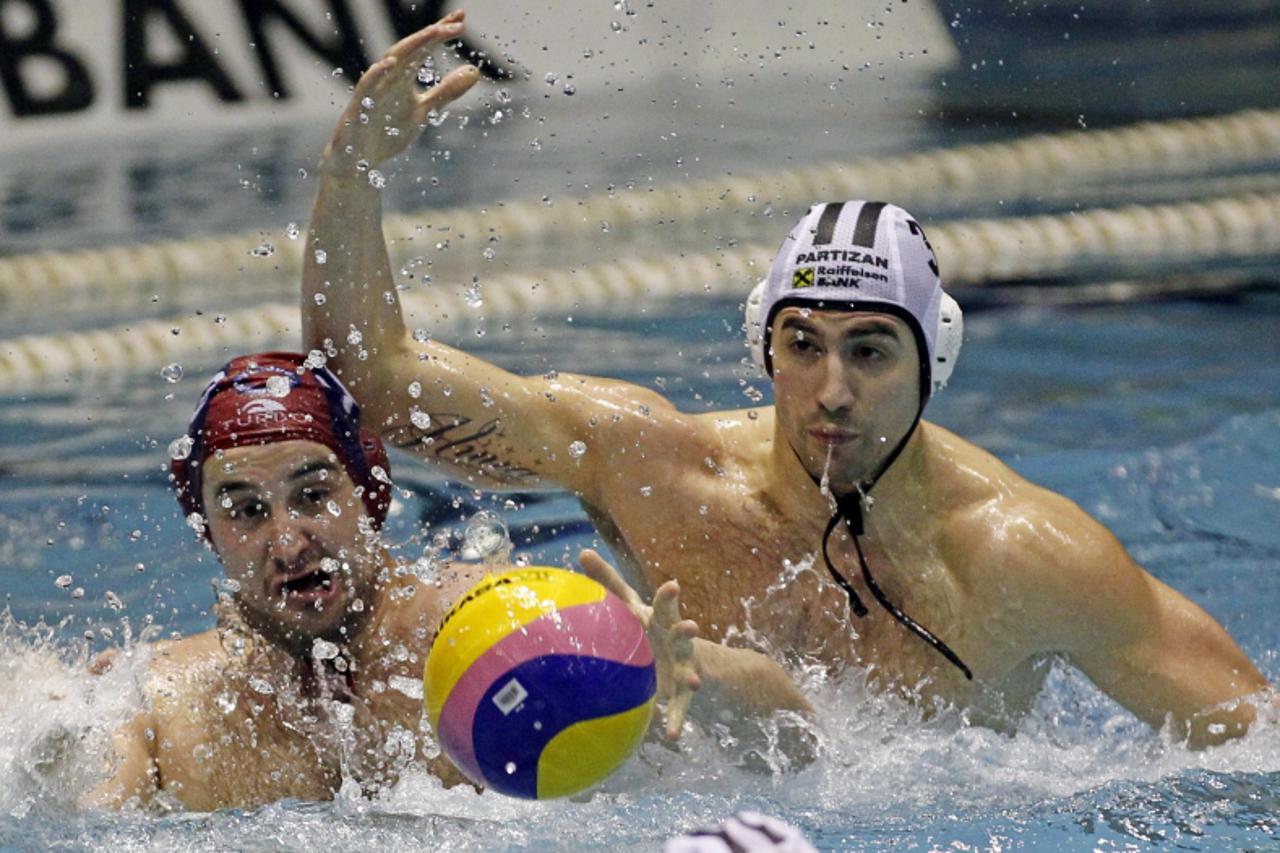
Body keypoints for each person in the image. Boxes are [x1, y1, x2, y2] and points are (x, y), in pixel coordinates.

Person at [301, 11, 1273, 750]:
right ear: (761, 347)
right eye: (801, 344)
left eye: (870, 351)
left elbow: (1254, 751)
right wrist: (349, 181)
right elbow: (376, 388)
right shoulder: (651, 465)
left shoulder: (1026, 558)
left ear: (933, 363)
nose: (831, 389)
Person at [84, 352, 810, 811]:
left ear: (368, 494)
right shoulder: (161, 709)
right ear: (208, 530)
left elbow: (803, 747)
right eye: (245, 511)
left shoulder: (503, 627)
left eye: (312, 495)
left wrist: (688, 670)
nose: (288, 540)